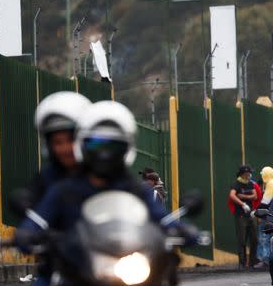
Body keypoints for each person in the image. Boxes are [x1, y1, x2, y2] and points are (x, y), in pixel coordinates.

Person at [17, 100, 177, 249]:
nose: (104, 154)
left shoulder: (132, 187)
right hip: (70, 264)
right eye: (95, 144)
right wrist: (27, 232)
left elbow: (160, 216)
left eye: (113, 146)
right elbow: (38, 219)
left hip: (121, 257)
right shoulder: (62, 189)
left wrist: (183, 229)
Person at [22, 91, 90, 286]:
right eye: (57, 142)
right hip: (59, 268)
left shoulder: (104, 172)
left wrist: (167, 225)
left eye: (70, 139)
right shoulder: (49, 181)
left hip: (105, 263)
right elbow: (35, 213)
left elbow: (136, 201)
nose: (65, 148)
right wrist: (27, 232)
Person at [229, 165, 258, 269]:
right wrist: (242, 204)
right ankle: (242, 262)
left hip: (250, 213)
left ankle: (252, 262)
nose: (249, 175)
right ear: (243, 174)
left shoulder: (250, 184)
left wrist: (243, 196)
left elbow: (255, 196)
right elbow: (232, 196)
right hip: (241, 214)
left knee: (254, 238)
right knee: (242, 239)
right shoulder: (236, 184)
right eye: (248, 173)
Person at [255, 166, 273, 268]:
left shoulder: (270, 184)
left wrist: (256, 211)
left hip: (269, 216)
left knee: (263, 237)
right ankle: (271, 259)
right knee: (271, 237)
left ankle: (265, 259)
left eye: (263, 174)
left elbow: (265, 202)